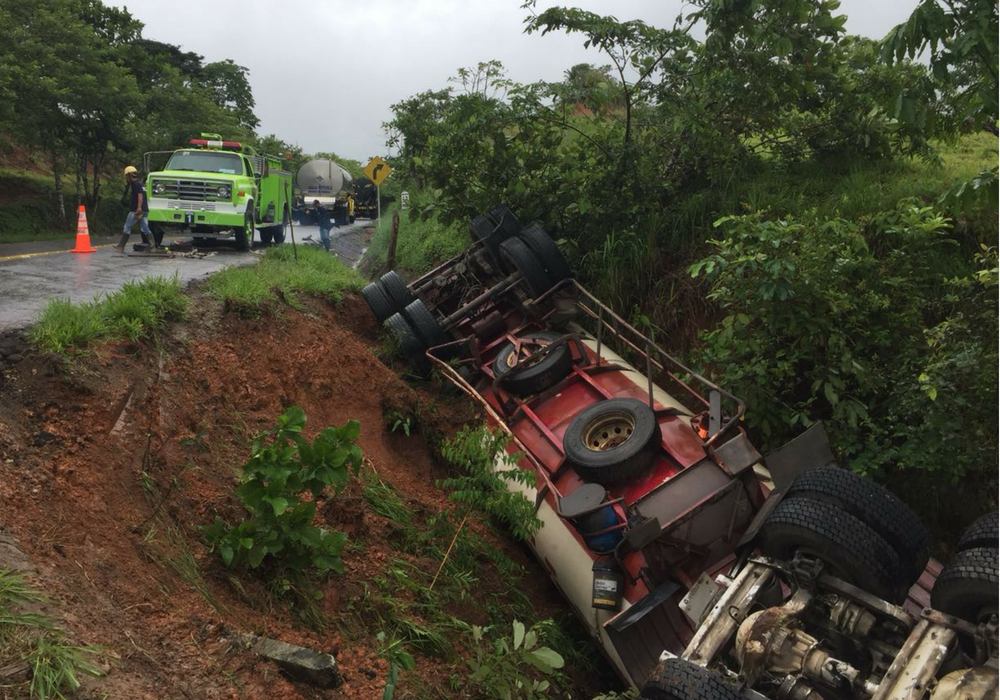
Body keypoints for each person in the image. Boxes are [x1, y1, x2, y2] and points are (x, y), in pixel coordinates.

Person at [114, 166, 153, 253]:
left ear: (129, 175)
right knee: (145, 228)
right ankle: (152, 246)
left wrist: (138, 207)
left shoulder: (136, 184)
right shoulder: (140, 184)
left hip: (137, 210)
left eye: (126, 176)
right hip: (145, 210)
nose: (126, 178)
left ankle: (121, 246)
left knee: (127, 226)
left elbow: (140, 196)